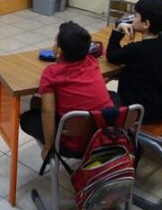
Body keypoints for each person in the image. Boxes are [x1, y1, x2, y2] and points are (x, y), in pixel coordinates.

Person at [20, 21, 115, 160]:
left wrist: (48, 147)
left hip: (76, 147)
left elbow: (48, 112)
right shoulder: (91, 61)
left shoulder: (51, 73)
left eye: (55, 42)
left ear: (59, 51)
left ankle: (53, 149)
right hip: (104, 136)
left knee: (27, 119)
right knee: (113, 96)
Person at [106, 0, 162, 127]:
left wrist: (118, 30)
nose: (132, 19)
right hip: (156, 106)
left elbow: (112, 56)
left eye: (136, 16)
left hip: (138, 112)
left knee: (106, 97)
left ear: (146, 24)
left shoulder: (137, 49)